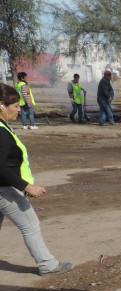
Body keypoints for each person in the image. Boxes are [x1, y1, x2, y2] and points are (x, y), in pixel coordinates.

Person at [0, 83, 73, 276]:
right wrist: (27, 187)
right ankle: (47, 264)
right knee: (30, 224)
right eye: (15, 106)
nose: (18, 110)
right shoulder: (0, 132)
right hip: (4, 189)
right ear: (1, 105)